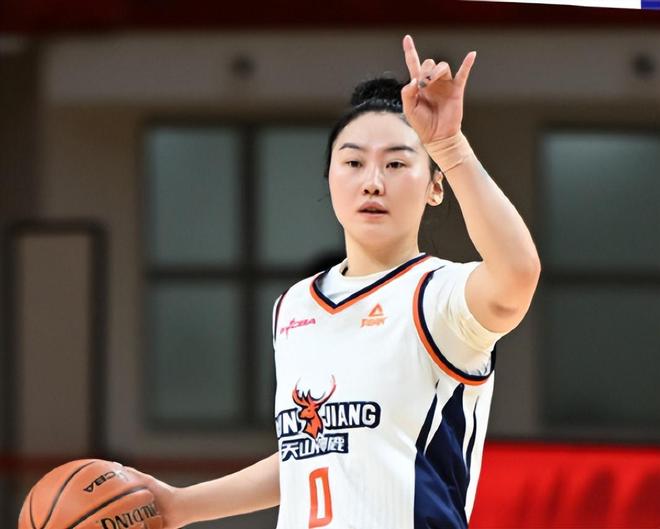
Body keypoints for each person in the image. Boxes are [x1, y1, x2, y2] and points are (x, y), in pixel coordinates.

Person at [126, 34, 541, 529]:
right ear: (329, 178)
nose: (372, 181)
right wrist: (179, 506)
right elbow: (311, 454)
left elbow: (518, 273)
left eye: (396, 163)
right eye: (353, 162)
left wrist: (449, 147)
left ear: (436, 186)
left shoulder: (440, 296)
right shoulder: (292, 307)